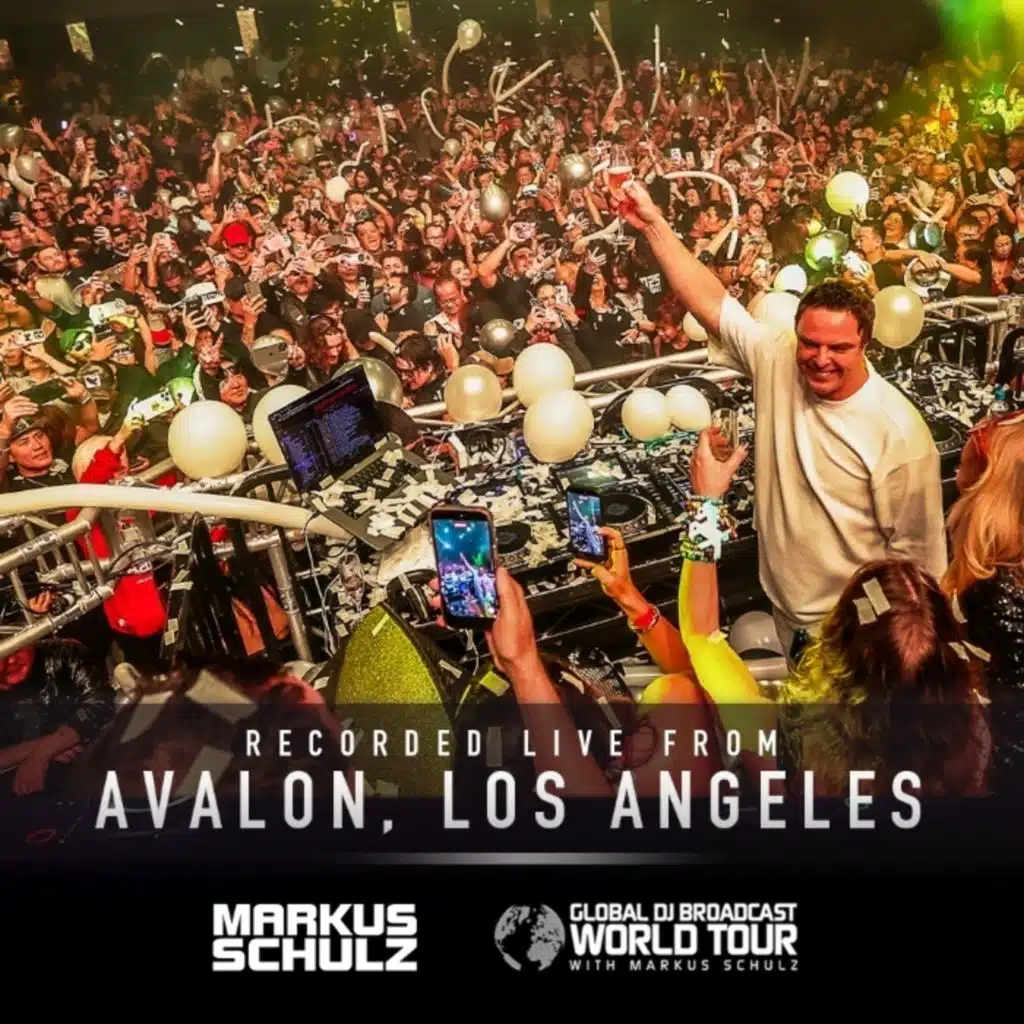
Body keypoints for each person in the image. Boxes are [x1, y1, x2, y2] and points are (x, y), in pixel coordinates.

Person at [617, 179, 948, 663]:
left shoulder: (899, 437)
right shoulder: (777, 355)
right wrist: (653, 225)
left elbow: (922, 572)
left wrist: (891, 663)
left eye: (839, 347)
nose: (820, 358)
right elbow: (712, 302)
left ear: (866, 344)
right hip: (785, 610)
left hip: (852, 638)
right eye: (810, 343)